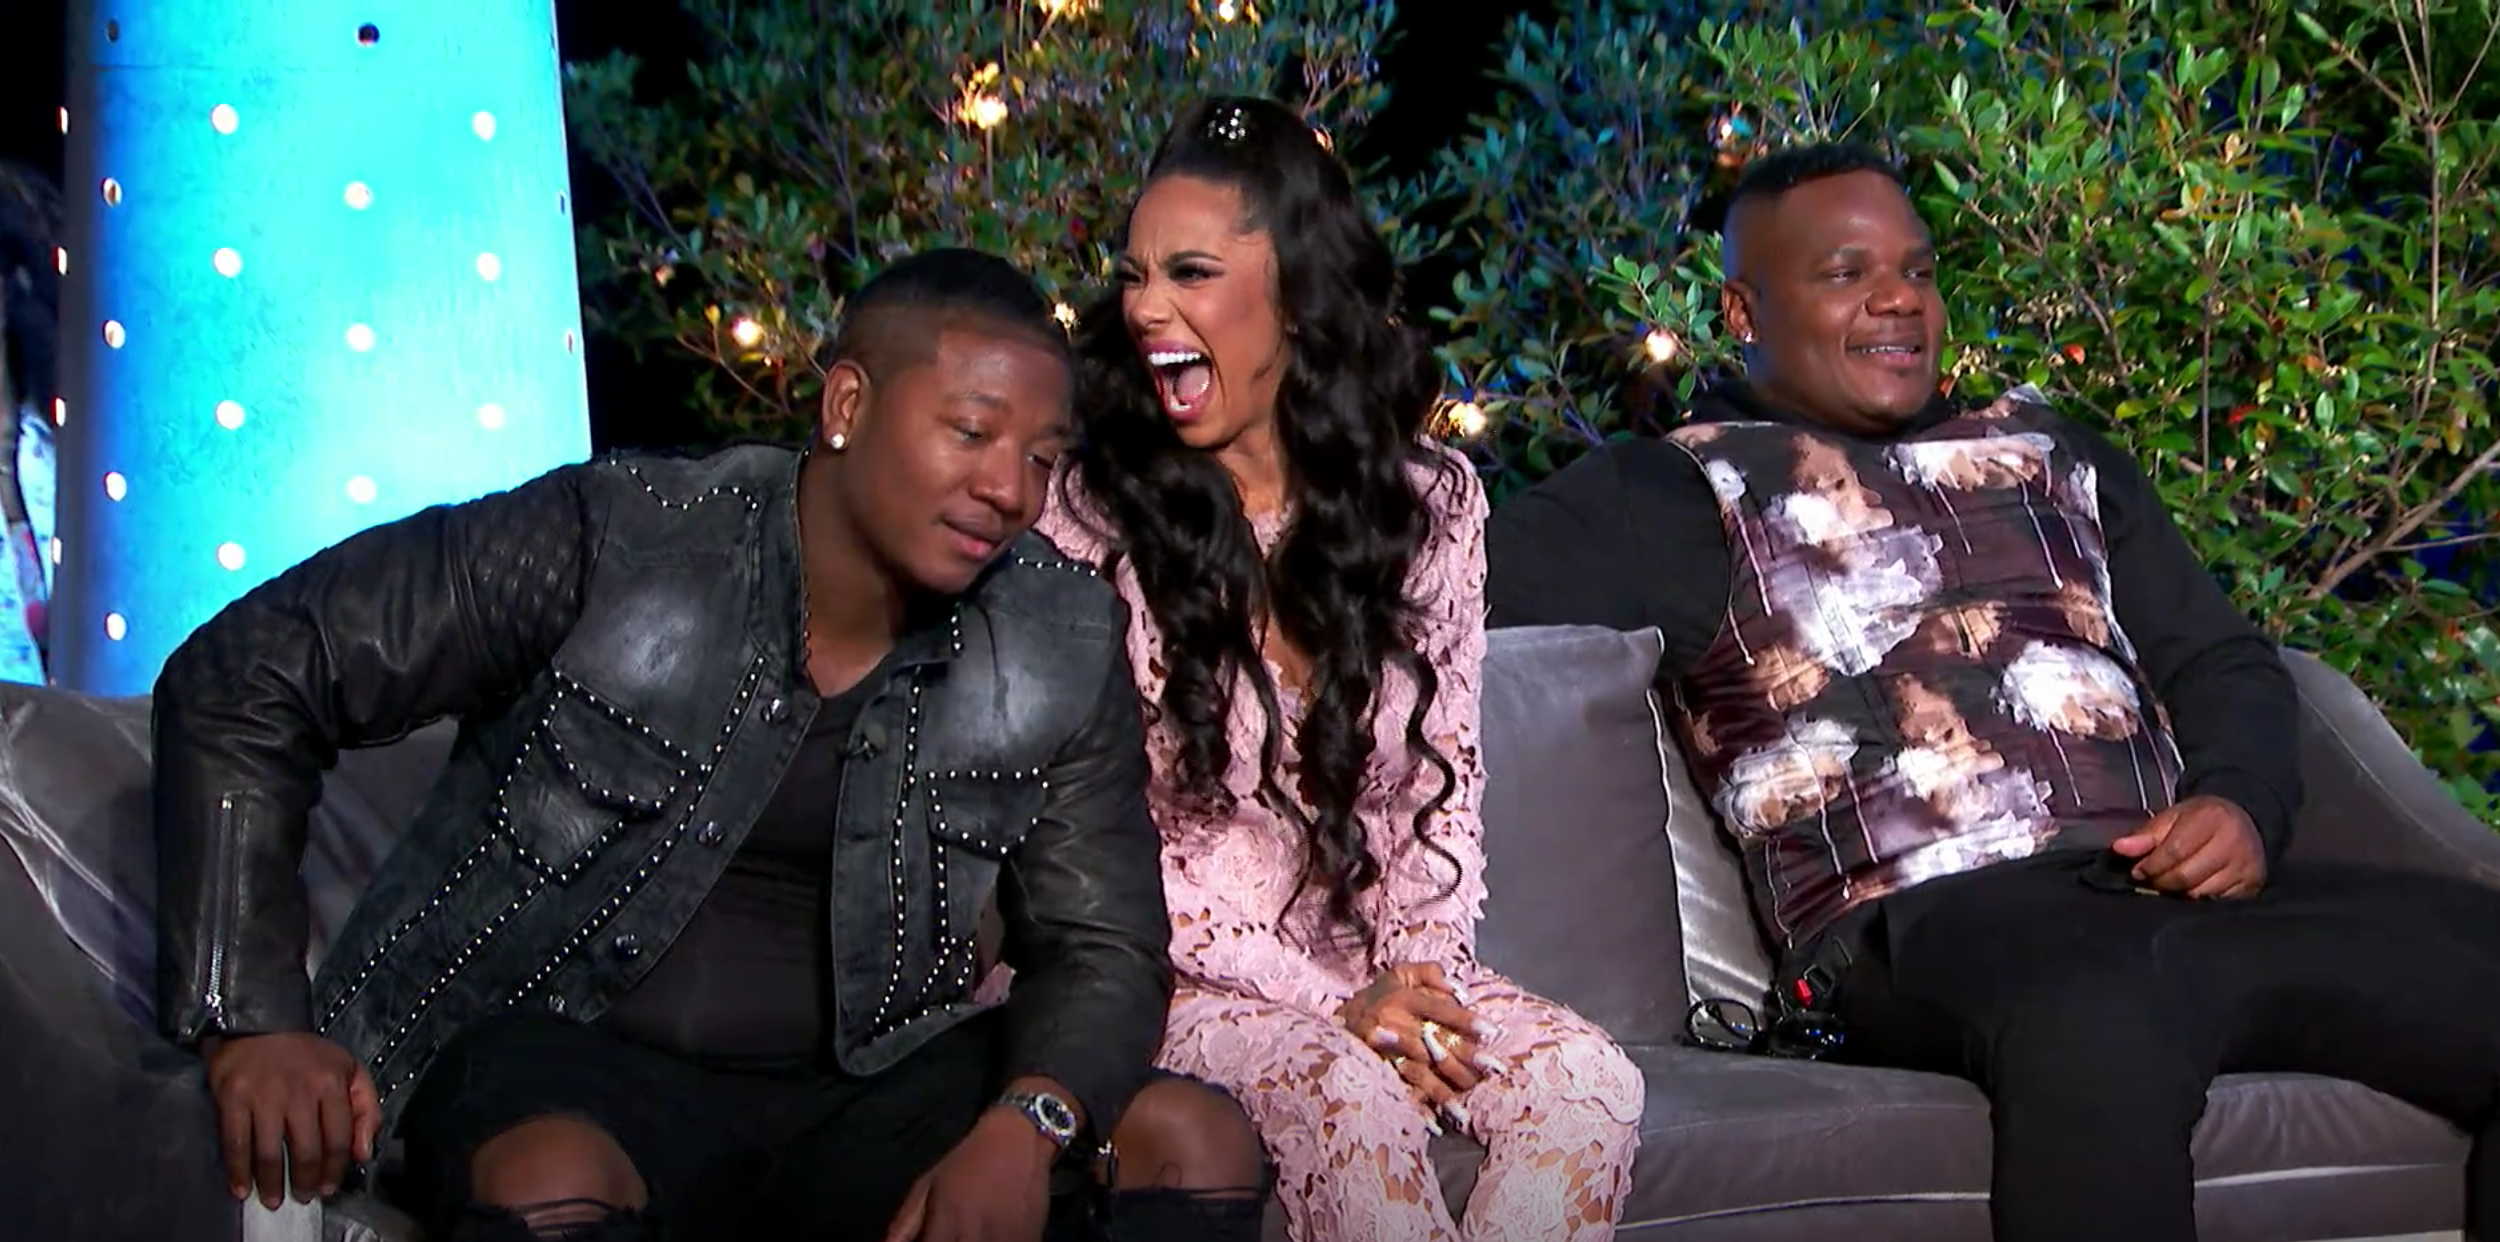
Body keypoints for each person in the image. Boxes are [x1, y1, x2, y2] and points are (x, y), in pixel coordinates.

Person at [1484, 140, 2500, 1242]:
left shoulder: (2054, 453)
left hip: (2160, 891)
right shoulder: (1665, 490)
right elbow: (1423, 588)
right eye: (1845, 274)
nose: (1897, 299)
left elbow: (2223, 661)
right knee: (2101, 1011)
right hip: (1919, 922)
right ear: (1743, 311)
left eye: (1917, 271)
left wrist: (2240, 805)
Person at [151, 248, 1269, 1242]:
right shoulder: (618, 536)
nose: (1007, 489)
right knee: (552, 1179)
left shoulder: (1058, 635)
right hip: (560, 1059)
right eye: (971, 433)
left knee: (1192, 1142)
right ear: (847, 403)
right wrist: (249, 1017)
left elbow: (1103, 944)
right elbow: (252, 669)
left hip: (862, 1092)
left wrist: (1027, 1129)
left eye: (1039, 457)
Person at [1033, 96, 1643, 1242]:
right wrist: (1337, 1008)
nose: (1147, 308)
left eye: (1191, 272)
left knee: (1586, 1084)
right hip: (1168, 977)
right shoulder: (1084, 519)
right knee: (1347, 1098)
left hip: (1365, 964)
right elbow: (1109, 847)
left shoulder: (1430, 504)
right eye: (1135, 276)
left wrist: (1417, 982)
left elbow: (1437, 792)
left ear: (1299, 298)